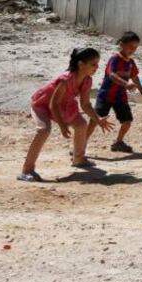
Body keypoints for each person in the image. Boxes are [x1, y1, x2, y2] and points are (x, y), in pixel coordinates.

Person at [19, 48, 114, 182]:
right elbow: (53, 104)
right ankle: (27, 170)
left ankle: (78, 159)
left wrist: (98, 119)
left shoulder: (87, 80)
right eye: (93, 64)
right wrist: (62, 125)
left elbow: (85, 104)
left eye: (97, 64)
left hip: (64, 106)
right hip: (42, 105)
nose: (96, 67)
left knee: (81, 124)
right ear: (81, 64)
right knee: (43, 130)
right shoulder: (66, 79)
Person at [87, 31, 142, 153]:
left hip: (120, 97)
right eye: (131, 46)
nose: (133, 50)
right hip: (106, 95)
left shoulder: (131, 63)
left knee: (127, 121)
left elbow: (135, 77)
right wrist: (126, 84)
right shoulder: (115, 59)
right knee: (94, 120)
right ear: (121, 44)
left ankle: (118, 142)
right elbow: (112, 75)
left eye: (135, 47)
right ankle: (79, 145)